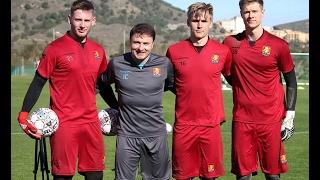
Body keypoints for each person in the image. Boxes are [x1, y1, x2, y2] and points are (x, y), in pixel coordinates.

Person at [16, 0, 118, 179]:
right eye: (78, 20)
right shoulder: (55, 49)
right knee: (62, 176)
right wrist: (24, 113)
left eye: (86, 21)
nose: (82, 25)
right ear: (69, 19)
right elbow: (38, 81)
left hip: (91, 123)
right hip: (64, 123)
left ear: (93, 21)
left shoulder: (98, 51)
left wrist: (118, 107)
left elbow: (103, 85)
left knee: (95, 175)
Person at [222, 0, 297, 180]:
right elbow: (226, 72)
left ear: (262, 12)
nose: (251, 15)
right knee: (243, 175)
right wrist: (241, 84)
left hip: (271, 119)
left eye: (254, 11)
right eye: (246, 12)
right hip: (242, 119)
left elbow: (291, 81)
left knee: (273, 175)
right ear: (241, 13)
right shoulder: (230, 43)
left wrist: (290, 114)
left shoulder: (279, 45)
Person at [166, 2, 232, 180]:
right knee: (182, 177)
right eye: (195, 20)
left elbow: (234, 79)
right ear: (188, 22)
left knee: (209, 177)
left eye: (204, 20)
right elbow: (169, 83)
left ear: (211, 23)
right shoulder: (174, 51)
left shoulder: (222, 51)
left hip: (211, 125)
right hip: (184, 125)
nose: (200, 24)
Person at [101, 23, 174, 180]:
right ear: (130, 42)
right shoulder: (117, 63)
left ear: (152, 44)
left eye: (146, 43)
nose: (141, 48)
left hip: (156, 135)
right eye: (137, 42)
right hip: (127, 136)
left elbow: (172, 86)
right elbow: (102, 84)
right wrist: (115, 105)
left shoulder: (164, 64)